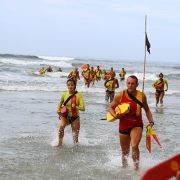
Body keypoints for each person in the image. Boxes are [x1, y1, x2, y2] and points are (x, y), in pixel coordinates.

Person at [108, 75, 154, 171]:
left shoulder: (142, 96)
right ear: (126, 84)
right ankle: (124, 170)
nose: (130, 85)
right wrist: (115, 116)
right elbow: (111, 107)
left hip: (136, 125)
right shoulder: (120, 95)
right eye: (128, 83)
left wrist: (151, 122)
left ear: (137, 84)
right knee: (125, 153)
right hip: (123, 126)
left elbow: (147, 110)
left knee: (134, 145)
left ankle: (136, 169)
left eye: (133, 83)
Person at [56, 78, 85, 146]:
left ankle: (76, 147)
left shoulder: (79, 95)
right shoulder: (64, 94)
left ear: (75, 85)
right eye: (68, 85)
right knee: (61, 127)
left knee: (75, 138)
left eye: (72, 85)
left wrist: (76, 107)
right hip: (66, 116)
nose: (70, 86)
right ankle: (59, 144)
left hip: (75, 118)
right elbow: (60, 103)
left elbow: (83, 108)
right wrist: (58, 110)